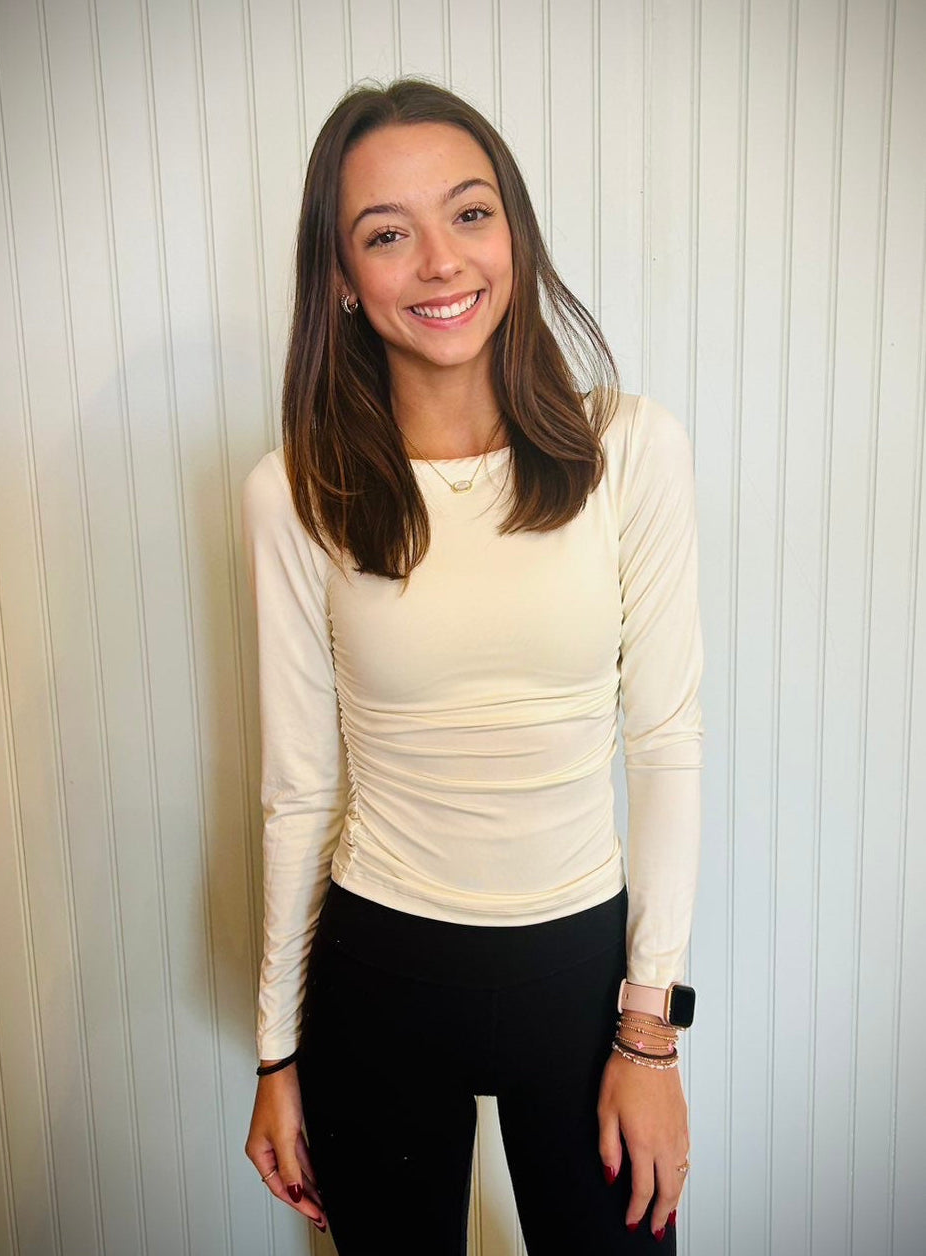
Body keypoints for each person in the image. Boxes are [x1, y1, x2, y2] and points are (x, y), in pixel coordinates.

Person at [242, 77, 703, 1256]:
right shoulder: (292, 490)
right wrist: (276, 1054)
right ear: (342, 278)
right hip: (377, 975)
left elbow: (665, 745)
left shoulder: (630, 450)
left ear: (515, 231)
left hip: (580, 978)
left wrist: (649, 1033)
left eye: (470, 214)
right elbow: (299, 788)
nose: (440, 263)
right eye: (386, 235)